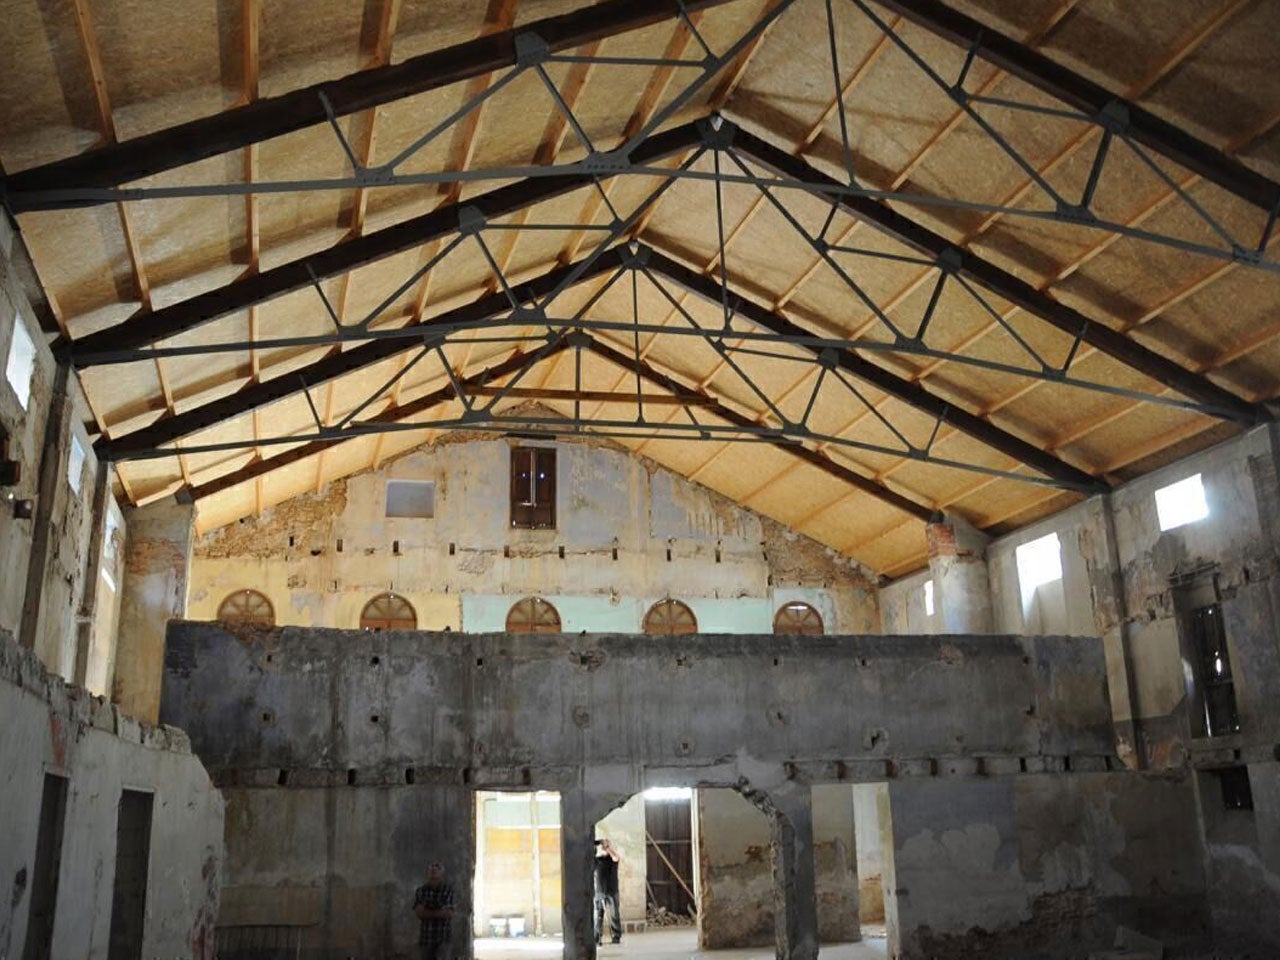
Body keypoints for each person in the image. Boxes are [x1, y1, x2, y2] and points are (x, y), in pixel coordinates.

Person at [413, 861, 456, 960]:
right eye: (431, 866)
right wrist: (440, 911)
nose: (434, 869)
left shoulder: (448, 890)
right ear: (427, 872)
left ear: (442, 872)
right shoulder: (420, 891)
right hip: (426, 938)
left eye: (437, 867)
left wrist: (427, 911)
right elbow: (419, 913)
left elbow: (449, 913)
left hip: (443, 938)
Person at [593, 837, 622, 946]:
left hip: (612, 890)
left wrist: (607, 848)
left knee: (614, 915)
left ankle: (616, 936)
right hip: (599, 892)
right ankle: (597, 938)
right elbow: (589, 858)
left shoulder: (612, 860)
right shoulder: (597, 861)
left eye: (607, 845)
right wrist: (596, 843)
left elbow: (616, 857)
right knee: (598, 917)